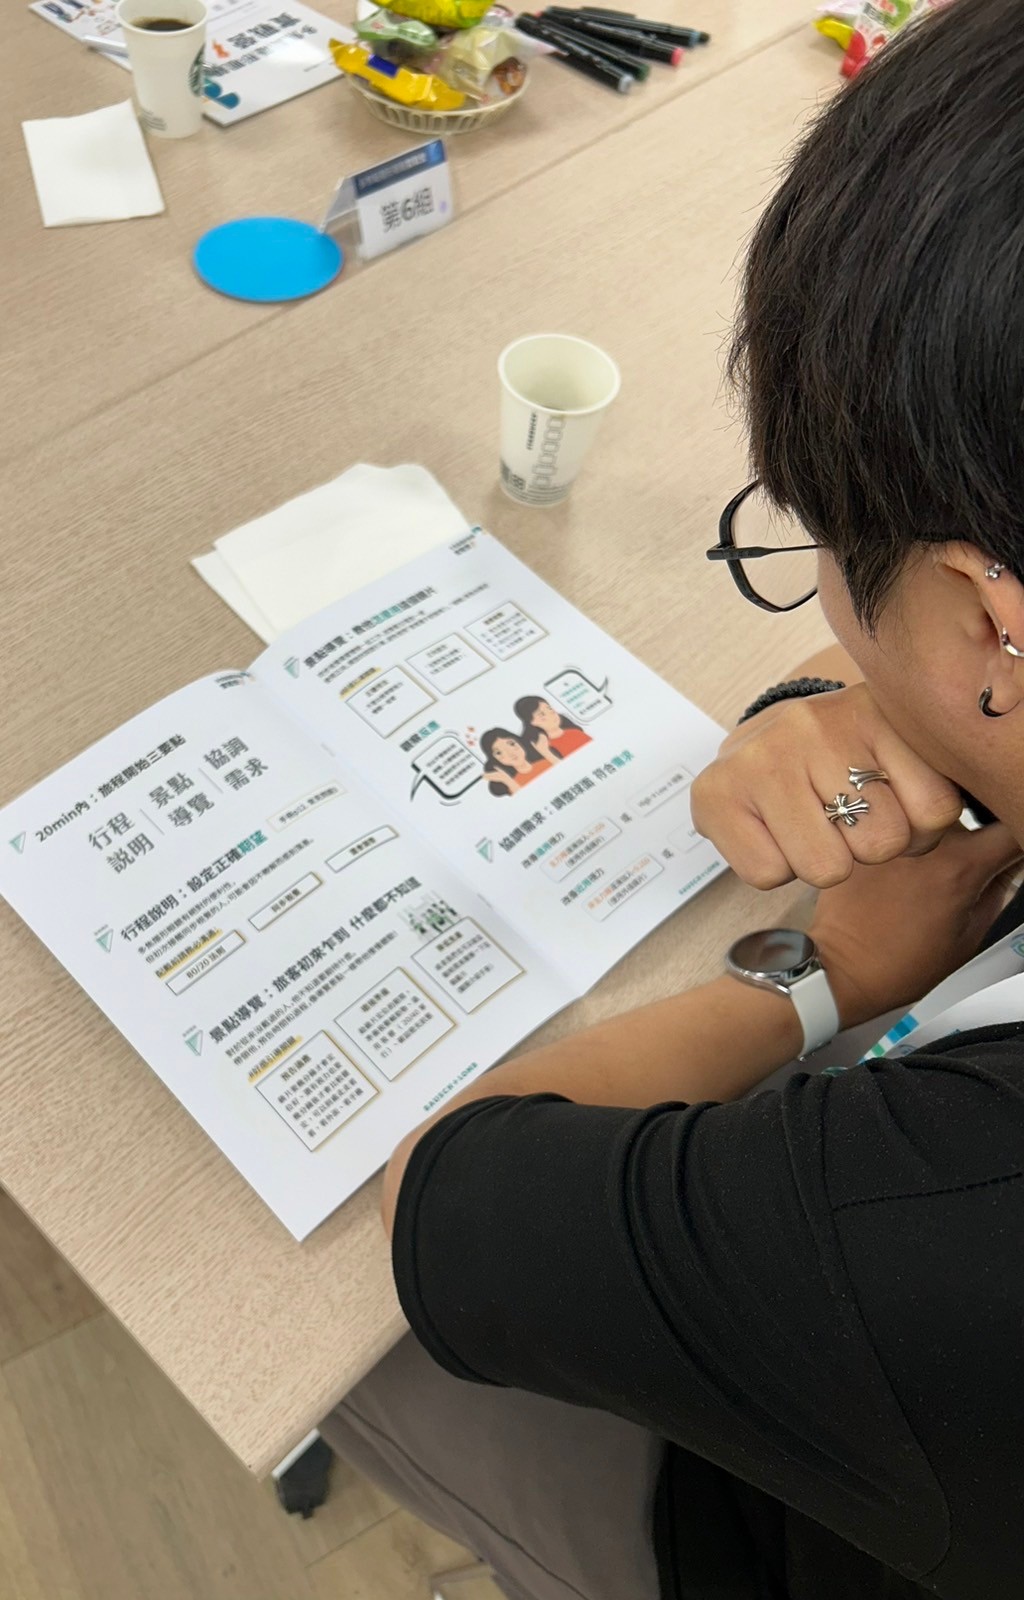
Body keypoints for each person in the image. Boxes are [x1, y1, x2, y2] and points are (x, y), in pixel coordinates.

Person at [320, 4, 1024, 1597]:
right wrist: (845, 710)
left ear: (993, 619)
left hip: (783, 1520)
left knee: (327, 1346)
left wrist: (823, 974)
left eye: (820, 542)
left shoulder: (940, 1225)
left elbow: (455, 1194)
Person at [514, 695, 592, 762]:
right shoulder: (540, 747)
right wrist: (545, 752)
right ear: (532, 722)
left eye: (549, 709)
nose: (551, 714)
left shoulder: (575, 733)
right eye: (542, 714)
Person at [479, 727, 552, 796]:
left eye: (511, 744)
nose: (510, 753)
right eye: (499, 753)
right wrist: (506, 780)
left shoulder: (546, 762)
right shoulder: (512, 784)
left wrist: (546, 752)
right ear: (494, 759)